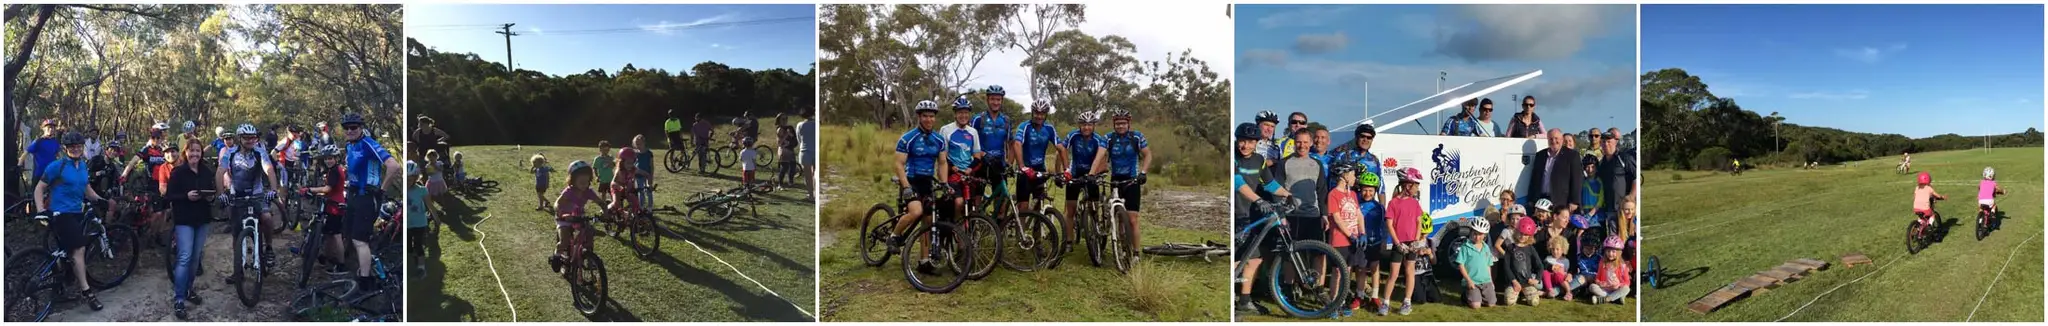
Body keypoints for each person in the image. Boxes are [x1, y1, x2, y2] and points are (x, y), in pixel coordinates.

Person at [34, 131, 111, 311]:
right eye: (71, 147)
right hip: (60, 213)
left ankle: (59, 283)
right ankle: (87, 291)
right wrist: (41, 210)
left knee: (65, 251)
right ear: (65, 148)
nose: (75, 149)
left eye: (78, 146)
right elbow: (39, 188)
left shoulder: (82, 166)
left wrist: (100, 200)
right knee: (79, 249)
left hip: (76, 212)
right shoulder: (56, 166)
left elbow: (87, 189)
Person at [340, 112, 401, 291]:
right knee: (349, 234)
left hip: (367, 198)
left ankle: (365, 280)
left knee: (360, 240)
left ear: (361, 128)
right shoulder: (350, 146)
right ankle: (352, 266)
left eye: (354, 128)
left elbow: (394, 165)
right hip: (352, 195)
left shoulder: (368, 144)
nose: (350, 131)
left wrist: (381, 189)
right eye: (347, 128)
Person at [889, 100, 951, 275]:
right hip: (911, 180)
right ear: (919, 117)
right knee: (916, 211)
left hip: (927, 182)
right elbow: (899, 164)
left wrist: (944, 183)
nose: (928, 120)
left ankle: (924, 262)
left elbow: (942, 162)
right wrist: (906, 186)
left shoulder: (939, 140)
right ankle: (894, 236)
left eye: (931, 116)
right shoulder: (908, 138)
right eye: (925, 116)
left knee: (928, 221)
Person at [218, 123, 282, 284]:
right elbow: (220, 172)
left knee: (266, 218)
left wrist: (273, 189)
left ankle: (268, 248)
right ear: (240, 138)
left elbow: (269, 170)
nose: (250, 140)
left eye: (253, 137)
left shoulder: (260, 152)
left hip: (257, 195)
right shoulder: (230, 153)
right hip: (237, 197)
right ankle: (237, 271)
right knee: (236, 235)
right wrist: (221, 195)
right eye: (246, 138)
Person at [164, 142, 215, 319]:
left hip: (202, 219)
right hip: (184, 219)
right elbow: (169, 196)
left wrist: (210, 196)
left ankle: (188, 289)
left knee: (195, 258)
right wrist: (186, 196)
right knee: (184, 257)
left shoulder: (207, 171)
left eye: (197, 151)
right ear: (186, 153)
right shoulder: (178, 173)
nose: (194, 154)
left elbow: (212, 191)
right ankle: (179, 298)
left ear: (201, 153)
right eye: (191, 151)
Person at [1231, 122, 1275, 315]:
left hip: (1250, 216)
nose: (1245, 146)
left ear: (1256, 143)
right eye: (1242, 141)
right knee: (1234, 259)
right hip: (1234, 213)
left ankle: (1244, 302)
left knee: (1254, 260)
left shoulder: (1260, 160)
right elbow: (1238, 183)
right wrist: (1258, 200)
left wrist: (1289, 195)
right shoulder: (1232, 157)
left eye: (1250, 142)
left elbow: (1271, 183)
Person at [1097, 109, 1150, 261]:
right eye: (1118, 123)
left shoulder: (1136, 137)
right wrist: (1091, 174)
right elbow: (1099, 156)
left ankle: (1136, 252)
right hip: (1115, 181)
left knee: (1133, 219)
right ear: (1114, 124)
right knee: (1119, 218)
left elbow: (1148, 154)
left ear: (1128, 124)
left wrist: (1143, 172)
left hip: (1132, 181)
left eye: (1123, 123)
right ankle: (1120, 246)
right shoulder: (1108, 138)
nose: (1120, 126)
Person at [1323, 163, 1369, 317]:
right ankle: (1332, 303)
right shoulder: (1333, 194)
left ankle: (1342, 302)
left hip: (1354, 240)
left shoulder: (1353, 194)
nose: (1355, 178)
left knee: (1348, 271)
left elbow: (1358, 214)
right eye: (1353, 174)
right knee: (1337, 272)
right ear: (1344, 176)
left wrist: (1362, 232)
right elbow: (1336, 218)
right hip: (1339, 239)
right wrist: (1350, 234)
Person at [1060, 111, 1108, 256]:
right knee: (1071, 209)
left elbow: (1103, 157)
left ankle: (1094, 227)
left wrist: (1098, 172)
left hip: (1091, 175)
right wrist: (1064, 170)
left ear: (1094, 126)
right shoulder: (1073, 136)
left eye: (1089, 124)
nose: (1086, 127)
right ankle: (1069, 241)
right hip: (1075, 174)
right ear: (1079, 125)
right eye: (1083, 124)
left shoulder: (1098, 139)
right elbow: (1061, 149)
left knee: (1094, 207)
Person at [299, 145, 350, 276]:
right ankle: (327, 257)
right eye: (326, 159)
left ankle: (341, 265)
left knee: (336, 235)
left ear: (337, 158)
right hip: (333, 203)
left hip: (335, 206)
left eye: (331, 158)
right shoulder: (334, 169)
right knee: (329, 233)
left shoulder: (334, 171)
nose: (328, 161)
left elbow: (327, 189)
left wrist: (310, 189)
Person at [1381, 167, 1426, 315]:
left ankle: (1407, 301)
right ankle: (1386, 302)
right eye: (1416, 185)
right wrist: (1397, 243)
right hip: (1399, 243)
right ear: (1408, 185)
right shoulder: (1393, 203)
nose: (1417, 188)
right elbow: (1389, 224)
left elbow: (1419, 222)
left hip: (1411, 243)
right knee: (1393, 274)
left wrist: (1416, 241)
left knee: (1410, 272)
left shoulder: (1414, 203)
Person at [937, 97, 983, 230]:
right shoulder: (946, 130)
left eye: (966, 113)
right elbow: (942, 156)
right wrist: (952, 167)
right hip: (953, 173)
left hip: (968, 174)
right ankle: (957, 228)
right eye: (960, 112)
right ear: (955, 114)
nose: (963, 116)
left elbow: (977, 156)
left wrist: (970, 168)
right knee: (959, 202)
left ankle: (970, 232)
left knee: (972, 204)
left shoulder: (973, 132)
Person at [548, 160, 601, 274]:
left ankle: (588, 255)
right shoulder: (569, 192)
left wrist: (606, 212)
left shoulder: (588, 191)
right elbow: (557, 204)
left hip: (579, 217)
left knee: (589, 232)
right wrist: (562, 213)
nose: (584, 184)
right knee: (565, 241)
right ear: (573, 180)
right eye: (581, 182)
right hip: (564, 219)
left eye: (586, 181)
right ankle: (557, 256)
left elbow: (600, 202)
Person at [1011, 102, 1061, 220]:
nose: (1039, 116)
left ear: (1046, 115)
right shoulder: (1025, 126)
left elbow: (1061, 148)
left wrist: (1065, 170)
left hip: (1040, 170)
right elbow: (1017, 144)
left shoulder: (1049, 128)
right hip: (1026, 170)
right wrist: (1022, 166)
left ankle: (1037, 236)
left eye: (1042, 114)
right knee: (1023, 206)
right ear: (1032, 113)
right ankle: (1021, 235)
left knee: (1039, 204)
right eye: (1037, 113)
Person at [970, 85, 1013, 215]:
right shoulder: (978, 119)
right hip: (981, 163)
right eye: (993, 99)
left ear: (1002, 101)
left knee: (1001, 198)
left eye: (998, 100)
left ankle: (997, 228)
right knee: (977, 196)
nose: (995, 102)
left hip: (999, 164)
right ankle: (975, 224)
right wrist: (979, 154)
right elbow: (969, 139)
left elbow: (1011, 143)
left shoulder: (1006, 120)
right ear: (987, 100)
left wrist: (1009, 163)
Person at [1527, 129, 1584, 212]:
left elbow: (1577, 179)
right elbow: (1534, 178)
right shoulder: (1540, 155)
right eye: (1551, 139)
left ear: (1562, 139)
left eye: (1556, 138)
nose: (1553, 141)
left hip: (1561, 201)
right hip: (1540, 200)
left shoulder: (1572, 155)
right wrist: (1531, 199)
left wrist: (1574, 201)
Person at [1597, 128, 1637, 234]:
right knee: (1614, 239)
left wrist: (1632, 196)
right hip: (1609, 208)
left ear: (1615, 142)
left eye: (1609, 141)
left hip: (1624, 208)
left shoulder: (1624, 157)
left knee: (1628, 235)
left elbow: (1636, 177)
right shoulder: (1601, 163)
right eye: (1603, 142)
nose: (1606, 144)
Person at [1455, 219, 1496, 309]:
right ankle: (1466, 296)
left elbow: (1488, 265)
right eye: (1475, 234)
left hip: (1485, 281)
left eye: (1480, 234)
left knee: (1491, 304)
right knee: (1476, 306)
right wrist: (1469, 281)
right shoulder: (1465, 247)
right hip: (1472, 281)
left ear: (1485, 235)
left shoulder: (1486, 248)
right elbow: (1461, 265)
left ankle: (1479, 296)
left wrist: (1491, 281)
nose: (1477, 237)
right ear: (1471, 232)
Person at [1503, 217, 1543, 306]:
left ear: (1530, 236)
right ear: (1516, 231)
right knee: (1509, 302)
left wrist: (1537, 279)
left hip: (1527, 282)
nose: (1522, 236)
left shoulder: (1530, 248)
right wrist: (1514, 282)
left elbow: (1540, 266)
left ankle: (1523, 293)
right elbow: (1506, 267)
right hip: (1513, 282)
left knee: (1534, 302)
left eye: (1525, 234)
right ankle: (1518, 294)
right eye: (1520, 233)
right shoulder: (1510, 247)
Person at [1590, 236, 1632, 304]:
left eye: (1613, 251)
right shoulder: (1602, 262)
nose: (1610, 254)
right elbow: (1597, 277)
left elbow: (1627, 282)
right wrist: (1600, 283)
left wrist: (1618, 285)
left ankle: (1605, 299)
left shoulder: (1622, 265)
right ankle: (1615, 298)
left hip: (1616, 289)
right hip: (1605, 290)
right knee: (1592, 287)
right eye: (1608, 251)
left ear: (1618, 253)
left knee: (1626, 289)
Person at [407, 161, 431, 276]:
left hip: (420, 223)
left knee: (418, 244)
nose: (407, 182)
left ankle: (421, 267)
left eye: (410, 179)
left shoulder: (422, 190)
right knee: (408, 246)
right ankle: (413, 257)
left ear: (416, 178)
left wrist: (436, 219)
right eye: (406, 179)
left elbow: (430, 205)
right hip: (407, 223)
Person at [608, 141, 643, 219]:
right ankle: (605, 210)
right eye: (628, 163)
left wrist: (649, 179)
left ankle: (635, 218)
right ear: (622, 162)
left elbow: (644, 173)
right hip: (617, 189)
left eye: (632, 163)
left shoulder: (633, 169)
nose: (630, 165)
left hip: (627, 189)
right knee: (616, 203)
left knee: (636, 203)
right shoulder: (619, 171)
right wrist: (619, 187)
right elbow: (613, 182)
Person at [23, 119, 63, 185]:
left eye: (52, 128)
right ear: (43, 129)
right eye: (48, 127)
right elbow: (26, 152)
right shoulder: (38, 141)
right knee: (35, 193)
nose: (51, 129)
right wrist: (19, 164)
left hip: (51, 173)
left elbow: (59, 155)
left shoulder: (55, 142)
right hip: (39, 174)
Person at [1540, 229, 1572, 301]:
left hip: (1559, 280)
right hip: (1549, 281)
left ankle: (1568, 292)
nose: (1555, 251)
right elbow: (1543, 267)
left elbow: (1566, 272)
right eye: (1553, 249)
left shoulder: (1565, 261)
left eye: (1557, 249)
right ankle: (1550, 290)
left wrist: (1564, 274)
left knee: (1558, 274)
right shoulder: (1548, 258)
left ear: (1563, 249)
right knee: (1545, 272)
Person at [797, 109, 817, 199]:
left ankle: (811, 195)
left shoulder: (800, 125)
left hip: (805, 151)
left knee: (808, 175)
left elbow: (799, 139)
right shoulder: (816, 124)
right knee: (816, 174)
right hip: (815, 151)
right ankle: (816, 192)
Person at [777, 115, 799, 187]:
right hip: (783, 150)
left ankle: (791, 182)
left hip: (790, 149)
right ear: (779, 120)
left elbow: (794, 137)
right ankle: (780, 184)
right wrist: (787, 134)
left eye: (786, 118)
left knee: (793, 166)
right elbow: (780, 142)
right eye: (783, 119)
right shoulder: (779, 129)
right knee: (784, 167)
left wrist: (791, 136)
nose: (785, 120)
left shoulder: (790, 127)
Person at [633, 136, 655, 207]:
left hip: (648, 175)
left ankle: (650, 207)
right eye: (637, 144)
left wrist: (651, 176)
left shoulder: (649, 153)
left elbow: (651, 166)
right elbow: (633, 165)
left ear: (644, 143)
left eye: (640, 144)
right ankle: (641, 207)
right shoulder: (635, 153)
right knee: (641, 191)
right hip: (638, 175)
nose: (638, 146)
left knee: (649, 191)